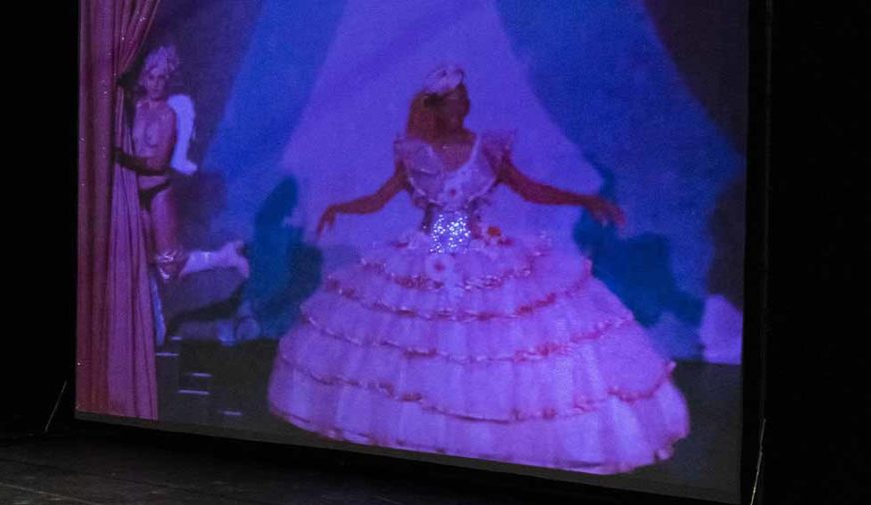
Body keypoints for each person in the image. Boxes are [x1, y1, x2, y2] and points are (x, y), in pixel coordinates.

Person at [268, 65, 688, 474]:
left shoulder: (487, 149)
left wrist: (585, 200)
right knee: (424, 344)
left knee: (488, 343)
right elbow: (380, 198)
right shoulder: (415, 152)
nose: (464, 106)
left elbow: (530, 189)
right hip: (428, 253)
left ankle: (483, 444)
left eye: (466, 98)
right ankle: (425, 436)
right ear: (438, 106)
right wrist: (340, 206)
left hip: (477, 253)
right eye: (456, 100)